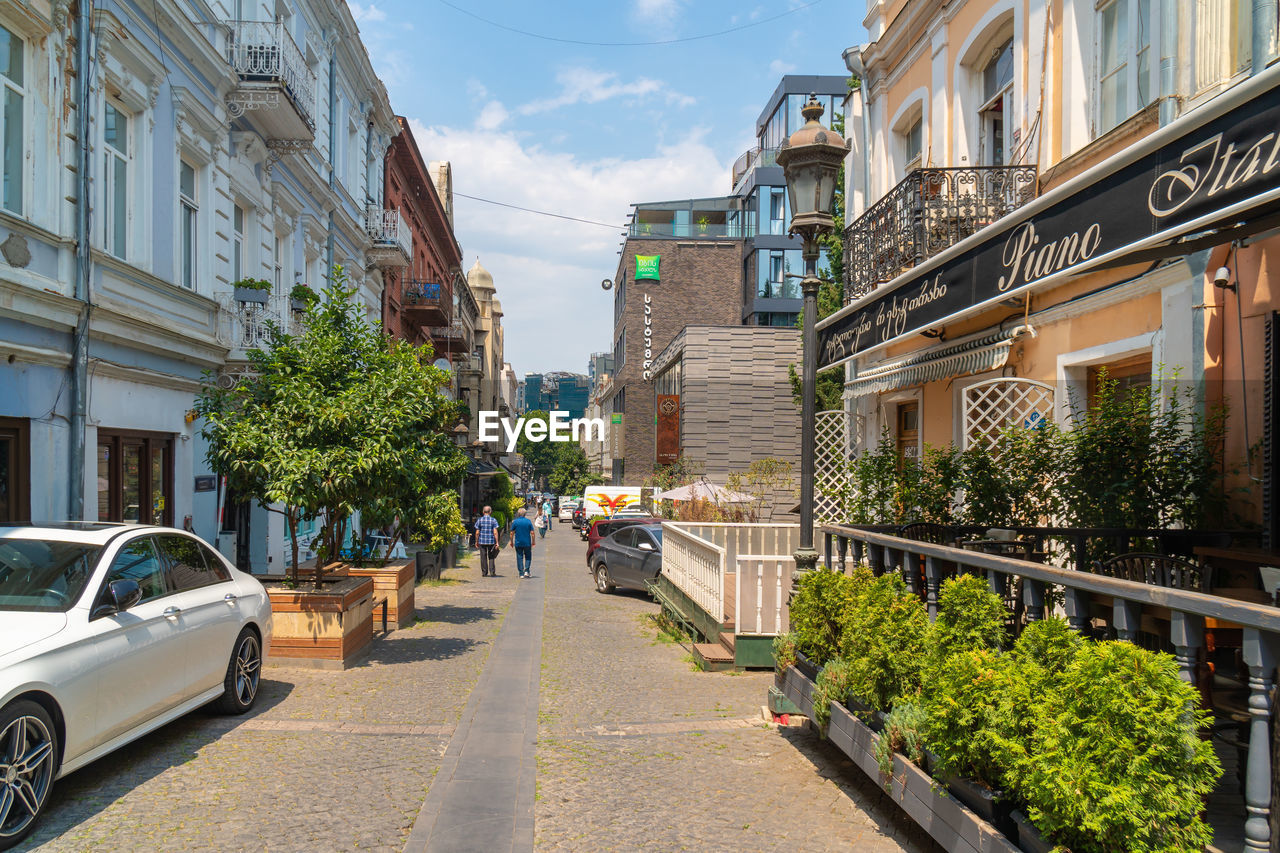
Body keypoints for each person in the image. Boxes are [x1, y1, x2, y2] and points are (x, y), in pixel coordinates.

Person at [473, 506, 500, 577]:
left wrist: (476, 541)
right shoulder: (493, 520)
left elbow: (477, 532)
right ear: (490, 512)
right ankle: (492, 572)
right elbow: (495, 532)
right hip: (491, 541)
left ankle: (484, 572)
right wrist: (497, 542)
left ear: (483, 512)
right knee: (491, 557)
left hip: (482, 541)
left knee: (483, 556)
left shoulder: (480, 520)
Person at [509, 507, 536, 578]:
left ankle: (521, 573)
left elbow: (511, 533)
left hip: (518, 542)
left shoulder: (515, 522)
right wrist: (533, 541)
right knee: (528, 556)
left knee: (519, 557)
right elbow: (532, 533)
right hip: (527, 542)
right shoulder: (528, 521)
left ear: (518, 514)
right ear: (525, 514)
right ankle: (526, 570)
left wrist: (511, 542)